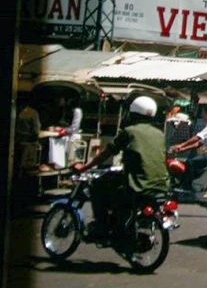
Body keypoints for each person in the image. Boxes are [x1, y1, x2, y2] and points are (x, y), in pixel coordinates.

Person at [73, 95, 170, 240]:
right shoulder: (159, 134)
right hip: (161, 183)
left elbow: (107, 153)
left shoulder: (129, 131)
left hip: (137, 183)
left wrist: (86, 167)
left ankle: (101, 226)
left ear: (133, 113)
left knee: (97, 186)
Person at [170, 103, 207, 188]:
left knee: (191, 162)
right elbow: (198, 144)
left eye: (203, 113)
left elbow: (198, 137)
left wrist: (181, 145)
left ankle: (188, 186)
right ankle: (192, 183)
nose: (202, 115)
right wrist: (182, 149)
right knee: (191, 162)